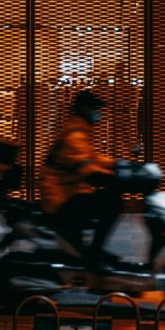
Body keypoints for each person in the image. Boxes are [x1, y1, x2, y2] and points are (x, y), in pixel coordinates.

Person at [40, 89, 122, 270]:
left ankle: (90, 251)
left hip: (70, 193)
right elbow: (89, 170)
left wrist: (118, 164)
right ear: (84, 109)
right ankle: (95, 252)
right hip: (61, 200)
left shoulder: (79, 130)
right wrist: (114, 177)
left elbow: (92, 158)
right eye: (96, 108)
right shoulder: (74, 136)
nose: (99, 113)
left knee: (106, 200)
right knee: (112, 203)